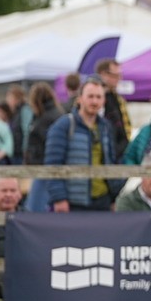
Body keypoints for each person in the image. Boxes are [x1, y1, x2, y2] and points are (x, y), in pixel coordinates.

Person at [45, 77, 122, 212]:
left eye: (99, 97)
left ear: (104, 100)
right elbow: (52, 165)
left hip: (103, 201)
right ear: (80, 98)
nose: (94, 101)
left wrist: (113, 197)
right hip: (73, 202)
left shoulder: (106, 127)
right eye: (90, 96)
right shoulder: (63, 126)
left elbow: (111, 162)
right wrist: (59, 198)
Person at [22, 83, 64, 213]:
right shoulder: (56, 114)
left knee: (35, 209)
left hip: (44, 169)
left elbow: (47, 146)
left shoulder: (45, 119)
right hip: (47, 169)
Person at [95, 58, 132, 163]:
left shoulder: (118, 99)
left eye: (120, 75)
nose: (119, 79)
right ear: (103, 74)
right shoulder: (95, 100)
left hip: (118, 157)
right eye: (115, 75)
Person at [0, 177, 21, 298]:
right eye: (4, 190)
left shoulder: (32, 219)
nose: (8, 194)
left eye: (13, 190)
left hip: (26, 271)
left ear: (20, 194)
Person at [4, 85, 31, 166]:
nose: (7, 100)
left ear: (17, 98)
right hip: (15, 152)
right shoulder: (15, 113)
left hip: (20, 153)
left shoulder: (25, 110)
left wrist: (25, 151)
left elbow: (27, 130)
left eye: (9, 98)